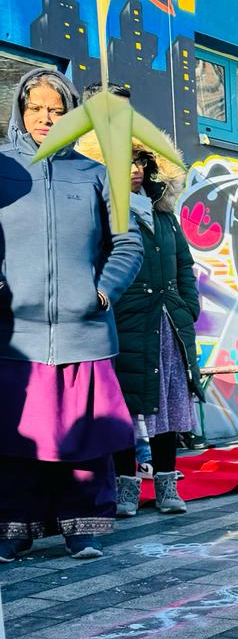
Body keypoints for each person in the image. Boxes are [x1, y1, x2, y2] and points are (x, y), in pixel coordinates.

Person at [0, 69, 142, 561]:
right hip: (13, 335)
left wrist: (102, 291)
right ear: (20, 110)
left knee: (86, 437)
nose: (46, 118)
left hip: (84, 333)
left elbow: (127, 243)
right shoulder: (2, 167)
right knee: (14, 438)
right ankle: (14, 528)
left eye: (57, 111)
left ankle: (83, 527)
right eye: (36, 108)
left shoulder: (95, 173)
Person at [112, 149, 204, 518]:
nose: (135, 170)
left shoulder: (165, 215)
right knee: (125, 408)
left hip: (168, 323)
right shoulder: (108, 211)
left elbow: (184, 265)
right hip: (128, 324)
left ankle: (167, 485)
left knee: (167, 406)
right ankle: (125, 488)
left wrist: (187, 307)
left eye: (141, 163)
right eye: (126, 162)